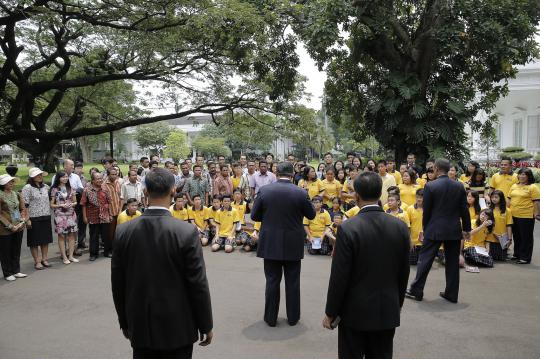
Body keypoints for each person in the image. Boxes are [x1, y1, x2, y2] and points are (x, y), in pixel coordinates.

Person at [112, 168, 213, 359]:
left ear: (145, 192)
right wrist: (206, 324)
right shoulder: (186, 232)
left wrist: (124, 322)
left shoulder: (123, 231)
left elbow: (118, 284)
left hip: (141, 324)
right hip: (178, 326)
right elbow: (197, 283)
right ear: (174, 191)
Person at [323, 171, 410, 359]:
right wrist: (398, 303)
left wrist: (331, 312)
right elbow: (404, 272)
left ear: (356, 196)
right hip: (387, 309)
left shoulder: (348, 228)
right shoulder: (400, 227)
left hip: (354, 313)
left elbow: (339, 276)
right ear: (380, 194)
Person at [251, 162, 316, 327]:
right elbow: (311, 214)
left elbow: (254, 216)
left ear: (276, 172)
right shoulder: (301, 192)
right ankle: (293, 318)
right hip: (293, 242)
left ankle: (271, 318)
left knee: (272, 281)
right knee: (293, 281)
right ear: (292, 174)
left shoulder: (265, 191)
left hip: (271, 241)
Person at [406, 158, 471, 303]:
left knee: (425, 260)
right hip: (454, 229)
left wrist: (425, 228)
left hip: (434, 228)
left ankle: (416, 290)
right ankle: (451, 294)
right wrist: (466, 229)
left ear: (436, 168)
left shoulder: (431, 186)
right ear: (448, 170)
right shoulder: (459, 186)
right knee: (453, 263)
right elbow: (464, 209)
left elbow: (427, 211)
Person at [22, 168, 53, 270]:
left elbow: (50, 201)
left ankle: (44, 259)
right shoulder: (27, 188)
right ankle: (37, 261)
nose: (40, 176)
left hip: (46, 216)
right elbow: (24, 205)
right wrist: (27, 219)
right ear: (32, 177)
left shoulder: (46, 187)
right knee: (34, 241)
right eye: (37, 175)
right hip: (33, 217)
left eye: (41, 174)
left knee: (45, 240)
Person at [508, 168, 540, 264]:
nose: (521, 176)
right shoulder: (514, 185)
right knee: (516, 236)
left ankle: (525, 257)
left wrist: (536, 213)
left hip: (526, 216)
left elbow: (537, 201)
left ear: (528, 176)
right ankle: (517, 254)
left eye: (524, 174)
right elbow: (509, 199)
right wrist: (506, 211)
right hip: (513, 214)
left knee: (526, 237)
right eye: (520, 174)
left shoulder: (533, 187)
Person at [0, 174, 28, 281]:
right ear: (3, 184)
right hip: (4, 228)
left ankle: (16, 270)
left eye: (12, 182)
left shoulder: (16, 194)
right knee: (5, 251)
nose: (11, 184)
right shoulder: (0, 195)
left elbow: (22, 208)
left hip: (18, 225)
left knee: (16, 249)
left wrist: (22, 219)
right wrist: (9, 225)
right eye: (9, 182)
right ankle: (7, 273)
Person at [81, 172, 112, 261]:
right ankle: (93, 254)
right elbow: (83, 204)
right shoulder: (87, 190)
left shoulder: (105, 189)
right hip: (92, 216)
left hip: (105, 216)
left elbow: (109, 202)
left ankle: (107, 252)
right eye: (97, 179)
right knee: (94, 236)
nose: (100, 180)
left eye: (101, 178)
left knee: (106, 235)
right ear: (93, 180)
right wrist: (85, 217)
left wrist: (109, 214)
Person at [50, 171, 80, 265]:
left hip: (71, 215)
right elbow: (51, 204)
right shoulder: (54, 189)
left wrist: (71, 204)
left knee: (72, 235)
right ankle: (64, 256)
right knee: (62, 236)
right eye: (63, 177)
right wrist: (61, 205)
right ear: (58, 178)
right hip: (60, 215)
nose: (65, 178)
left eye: (66, 177)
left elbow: (75, 202)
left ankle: (71, 256)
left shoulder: (71, 188)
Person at [489, 190, 513, 261]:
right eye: (492, 197)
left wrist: (509, 239)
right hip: (490, 238)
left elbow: (509, 225)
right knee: (492, 258)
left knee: (501, 258)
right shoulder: (488, 210)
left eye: (496, 197)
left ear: (501, 198)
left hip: (502, 238)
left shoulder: (507, 211)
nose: (494, 199)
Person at [103, 167, 122, 248]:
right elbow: (104, 201)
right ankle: (110, 249)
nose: (114, 176)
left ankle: (116, 248)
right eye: (112, 174)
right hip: (110, 212)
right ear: (108, 175)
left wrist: (120, 210)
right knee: (110, 233)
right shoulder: (104, 185)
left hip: (118, 211)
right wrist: (108, 214)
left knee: (117, 232)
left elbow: (120, 197)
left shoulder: (117, 183)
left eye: (116, 174)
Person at [407, 189, 424, 265]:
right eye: (417, 197)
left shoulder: (429, 209)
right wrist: (410, 240)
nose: (419, 199)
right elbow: (408, 227)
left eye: (421, 197)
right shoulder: (410, 209)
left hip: (425, 242)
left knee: (423, 263)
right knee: (412, 262)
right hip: (413, 242)